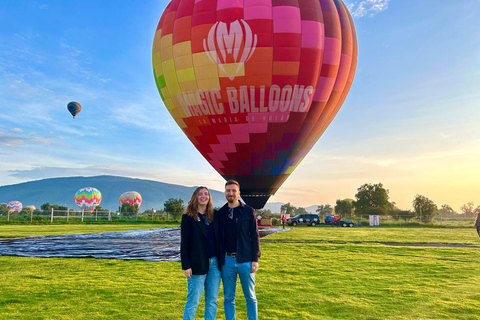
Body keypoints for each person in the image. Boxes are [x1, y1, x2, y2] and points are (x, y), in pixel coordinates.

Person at [218, 180, 260, 320]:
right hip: (227, 261)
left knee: (250, 296)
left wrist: (255, 259)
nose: (231, 193)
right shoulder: (221, 213)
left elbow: (254, 236)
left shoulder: (248, 211)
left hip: (245, 260)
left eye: (233, 190)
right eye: (228, 190)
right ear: (225, 192)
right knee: (229, 297)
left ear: (239, 193)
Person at [180, 186, 222, 320]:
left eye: (206, 194)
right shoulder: (188, 217)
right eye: (200, 194)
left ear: (209, 197)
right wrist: (186, 265)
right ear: (195, 197)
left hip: (214, 264)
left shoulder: (215, 216)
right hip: (197, 263)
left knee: (212, 301)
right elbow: (184, 242)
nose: (204, 196)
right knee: (193, 301)